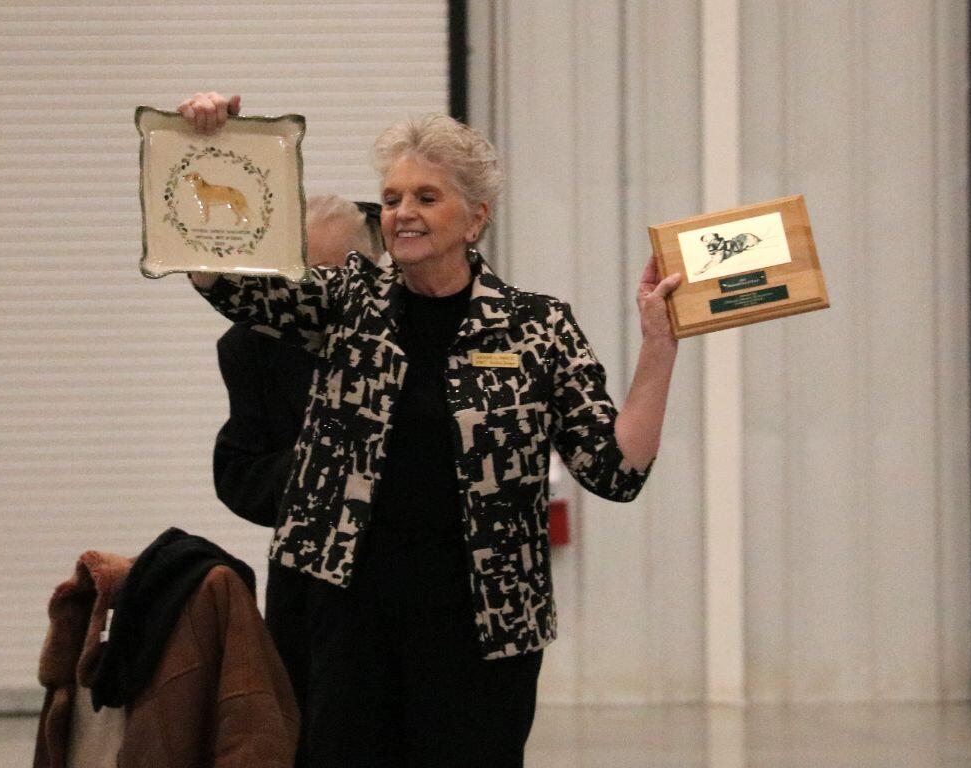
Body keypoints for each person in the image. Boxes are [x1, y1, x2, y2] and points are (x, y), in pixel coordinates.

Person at [183, 94, 681, 767]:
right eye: (391, 198)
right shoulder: (346, 302)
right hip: (349, 620)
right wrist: (203, 144)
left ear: (476, 217)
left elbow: (616, 470)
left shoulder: (537, 328)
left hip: (483, 631)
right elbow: (224, 282)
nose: (402, 213)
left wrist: (659, 344)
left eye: (425, 196)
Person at [207, 190, 383, 768]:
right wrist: (314, 472)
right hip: (308, 576)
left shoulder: (404, 333)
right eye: (300, 275)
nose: (313, 294)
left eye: (329, 276)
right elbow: (237, 470)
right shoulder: (250, 343)